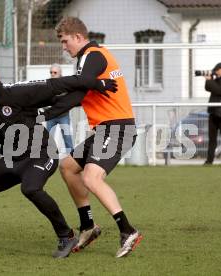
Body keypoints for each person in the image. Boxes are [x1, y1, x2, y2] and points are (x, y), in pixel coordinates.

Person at [0, 59, 117, 258]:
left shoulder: (16, 93)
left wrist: (95, 83)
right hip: (12, 160)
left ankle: (66, 236)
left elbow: (55, 86)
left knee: (31, 188)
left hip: (41, 153)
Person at [41, 16, 142, 258]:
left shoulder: (93, 55)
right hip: (106, 129)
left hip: (117, 128)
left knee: (91, 177)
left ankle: (127, 230)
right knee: (67, 167)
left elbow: (82, 84)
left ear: (78, 37)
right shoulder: (88, 60)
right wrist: (44, 111)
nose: (64, 47)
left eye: (65, 41)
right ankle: (88, 226)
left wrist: (47, 97)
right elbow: (77, 96)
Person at [45, 63, 74, 153]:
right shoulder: (47, 84)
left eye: (55, 72)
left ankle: (73, 159)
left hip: (63, 116)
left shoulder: (65, 84)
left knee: (67, 137)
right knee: (47, 138)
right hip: (51, 116)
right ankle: (46, 158)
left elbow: (70, 99)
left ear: (60, 73)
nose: (52, 74)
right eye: (51, 72)